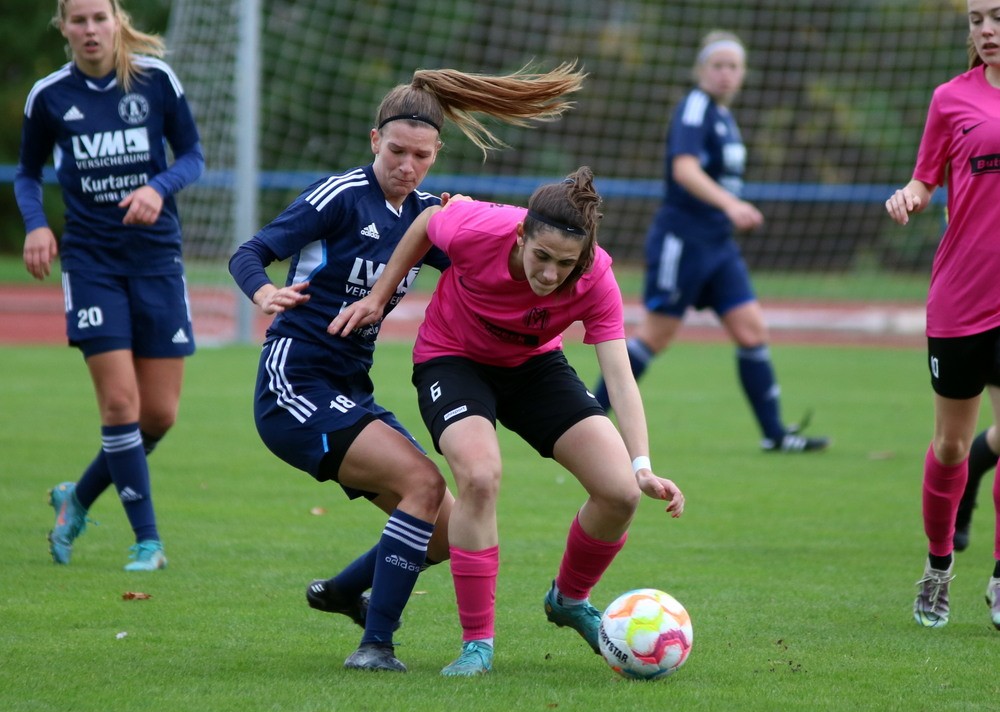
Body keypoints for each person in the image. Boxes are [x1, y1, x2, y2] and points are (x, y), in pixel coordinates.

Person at [228, 63, 587, 672]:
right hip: (294, 382)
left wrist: (554, 282)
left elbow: (492, 262)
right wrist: (263, 293)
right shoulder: (339, 197)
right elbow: (251, 251)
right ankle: (376, 646)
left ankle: (344, 591)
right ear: (375, 142)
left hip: (350, 390)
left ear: (435, 153)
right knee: (423, 485)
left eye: (421, 155)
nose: (407, 165)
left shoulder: (429, 215)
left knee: (446, 531)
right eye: (396, 150)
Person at [331, 166, 686, 677]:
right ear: (520, 235)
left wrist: (643, 464)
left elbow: (620, 375)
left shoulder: (595, 274)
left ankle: (568, 600)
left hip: (534, 367)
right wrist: (377, 297)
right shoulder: (477, 228)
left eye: (565, 264)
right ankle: (478, 644)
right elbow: (427, 221)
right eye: (541, 256)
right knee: (479, 476)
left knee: (621, 492)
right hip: (452, 359)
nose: (549, 274)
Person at [15, 0, 205, 571]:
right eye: (79, 19)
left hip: (156, 260)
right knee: (120, 403)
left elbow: (192, 154)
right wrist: (36, 226)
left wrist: (159, 187)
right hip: (91, 263)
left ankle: (76, 497)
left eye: (100, 17)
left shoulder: (155, 81)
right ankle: (148, 541)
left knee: (160, 415)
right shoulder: (49, 95)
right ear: (63, 27)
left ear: (117, 20)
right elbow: (28, 173)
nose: (90, 29)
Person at [591, 30, 828, 454]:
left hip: (718, 245)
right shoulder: (695, 109)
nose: (725, 73)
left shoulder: (723, 116)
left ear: (743, 73)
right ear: (701, 70)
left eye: (733, 66)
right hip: (683, 242)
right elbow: (684, 169)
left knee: (752, 330)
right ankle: (586, 417)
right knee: (656, 335)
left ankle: (775, 435)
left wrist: (729, 212)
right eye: (717, 65)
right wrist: (731, 204)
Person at [886, 0, 1000, 631]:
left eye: (997, 16)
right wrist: (910, 195)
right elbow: (925, 181)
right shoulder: (950, 99)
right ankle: (937, 569)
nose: (985, 30)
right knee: (953, 446)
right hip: (960, 300)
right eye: (977, 19)